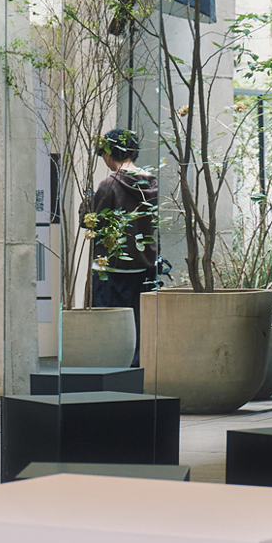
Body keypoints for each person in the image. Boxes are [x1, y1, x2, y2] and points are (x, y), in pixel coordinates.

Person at [80, 129, 160, 366]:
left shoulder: (109, 185)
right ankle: (135, 374)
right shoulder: (152, 183)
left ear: (109, 153)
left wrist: (88, 202)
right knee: (138, 327)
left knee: (107, 330)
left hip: (111, 270)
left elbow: (92, 222)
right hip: (143, 267)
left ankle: (110, 373)